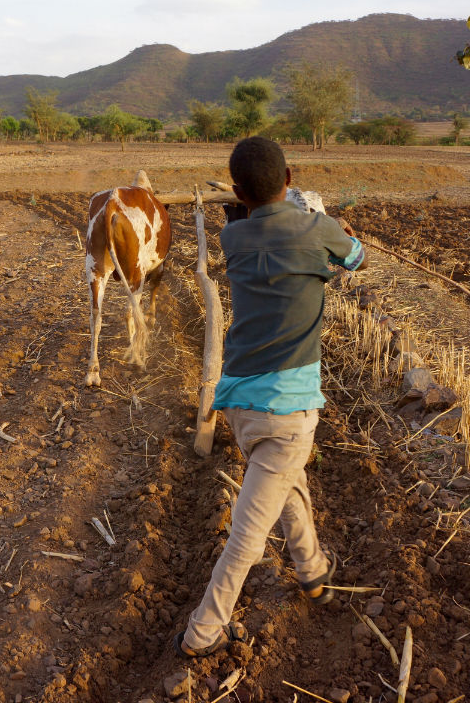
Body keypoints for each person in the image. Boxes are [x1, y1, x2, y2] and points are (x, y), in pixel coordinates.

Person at [176, 136, 368, 658]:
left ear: (237, 192)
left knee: (288, 481)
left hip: (240, 405)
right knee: (247, 537)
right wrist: (338, 232)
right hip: (287, 410)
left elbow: (255, 226)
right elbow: (357, 258)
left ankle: (313, 574)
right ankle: (203, 631)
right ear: (290, 179)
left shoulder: (232, 239)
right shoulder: (316, 229)